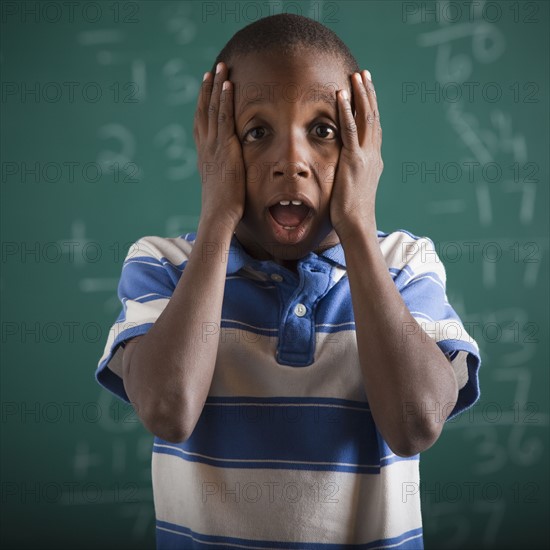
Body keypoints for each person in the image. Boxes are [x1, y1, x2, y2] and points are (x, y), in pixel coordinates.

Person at [96, 13, 480, 549]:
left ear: (361, 149)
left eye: (323, 131)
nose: (291, 161)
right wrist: (216, 220)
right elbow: (168, 409)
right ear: (216, 150)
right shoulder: (164, 265)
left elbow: (415, 424)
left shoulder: (402, 264)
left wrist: (358, 227)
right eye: (256, 133)